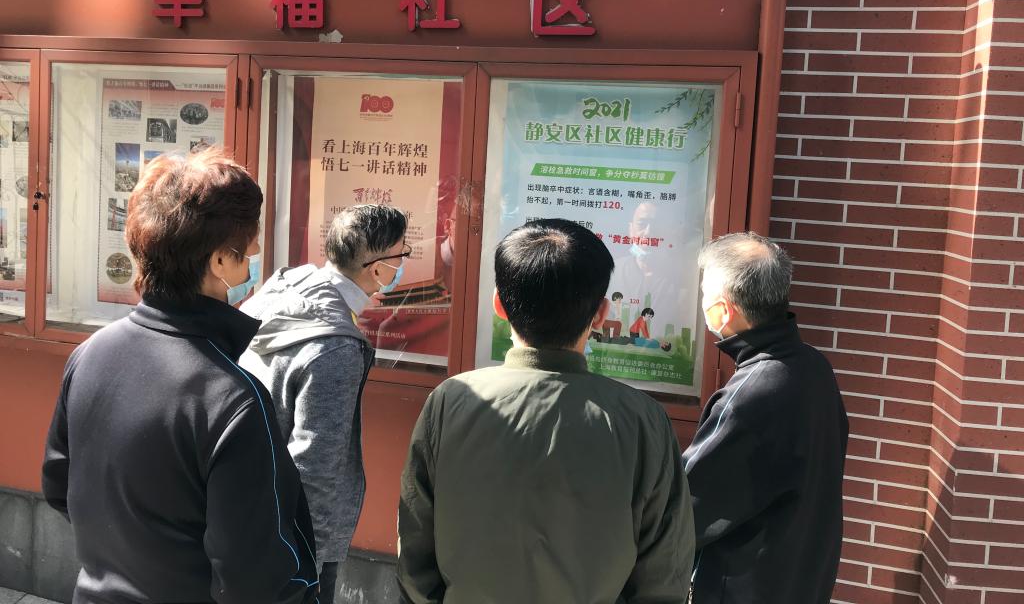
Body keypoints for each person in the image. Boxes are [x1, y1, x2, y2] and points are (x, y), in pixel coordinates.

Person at [41, 148, 319, 604]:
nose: (255, 259)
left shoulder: (89, 355)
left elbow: (59, 487)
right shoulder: (232, 397)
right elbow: (255, 578)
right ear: (219, 262)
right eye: (249, 248)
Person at [398, 218, 695, 604]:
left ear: (498, 305)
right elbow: (664, 573)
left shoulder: (449, 401)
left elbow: (415, 551)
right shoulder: (642, 420)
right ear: (601, 313)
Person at [240, 204, 409, 604]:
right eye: (401, 255)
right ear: (377, 269)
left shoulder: (289, 285)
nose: (403, 264)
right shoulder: (335, 349)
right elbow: (314, 467)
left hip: (249, 506)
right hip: (297, 540)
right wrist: (305, 565)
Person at [682, 232, 849, 603]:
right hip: (802, 580)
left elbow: (683, 509)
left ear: (723, 311)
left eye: (705, 293)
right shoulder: (814, 367)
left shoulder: (749, 394)